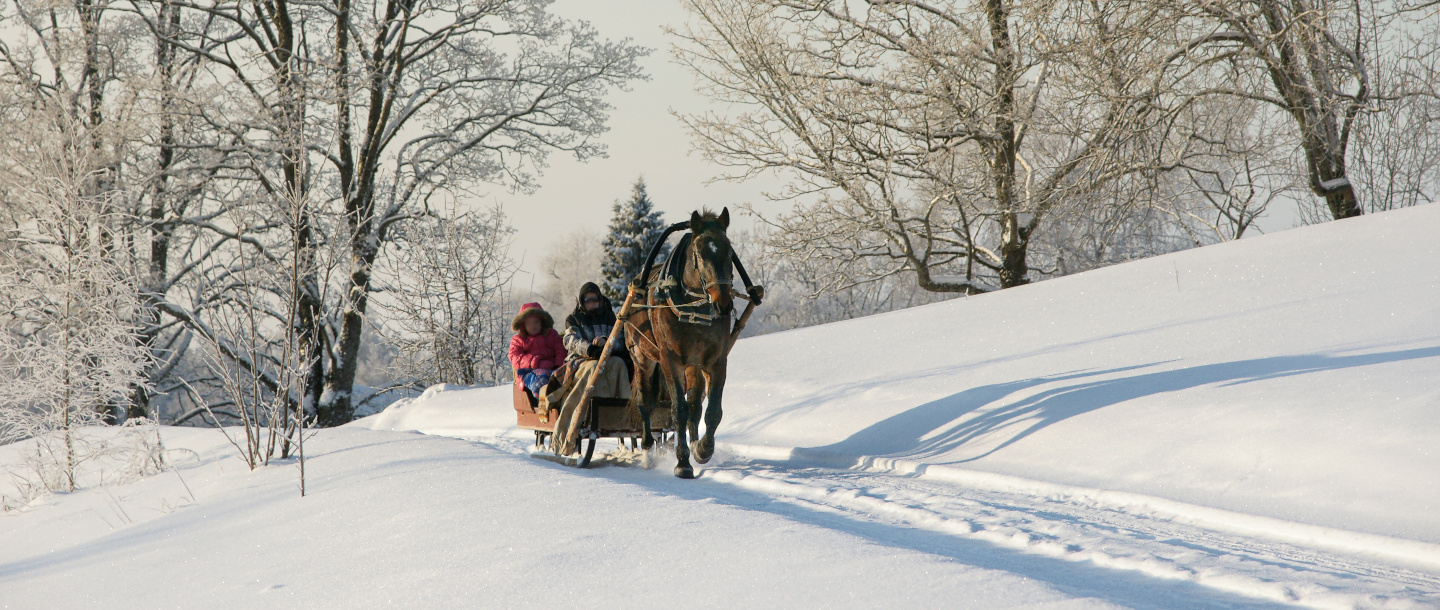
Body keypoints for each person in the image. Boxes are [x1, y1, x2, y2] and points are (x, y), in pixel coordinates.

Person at [546, 282, 633, 455]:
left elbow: (622, 339)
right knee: (594, 367)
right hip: (582, 360)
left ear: (600, 300)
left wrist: (606, 341)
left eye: (595, 299)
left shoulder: (611, 318)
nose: (592, 303)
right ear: (582, 302)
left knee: (620, 365)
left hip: (609, 359)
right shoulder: (574, 319)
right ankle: (578, 417)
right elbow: (570, 340)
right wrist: (589, 349)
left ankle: (625, 416)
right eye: (588, 300)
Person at [508, 302, 565, 401]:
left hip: (552, 369)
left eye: (536, 322)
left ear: (542, 322)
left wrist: (557, 365)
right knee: (541, 379)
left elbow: (560, 350)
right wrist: (538, 362)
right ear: (523, 324)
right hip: (528, 372)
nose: (533, 325)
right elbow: (516, 357)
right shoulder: (518, 340)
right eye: (529, 323)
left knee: (564, 379)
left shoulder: (551, 335)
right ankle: (543, 400)